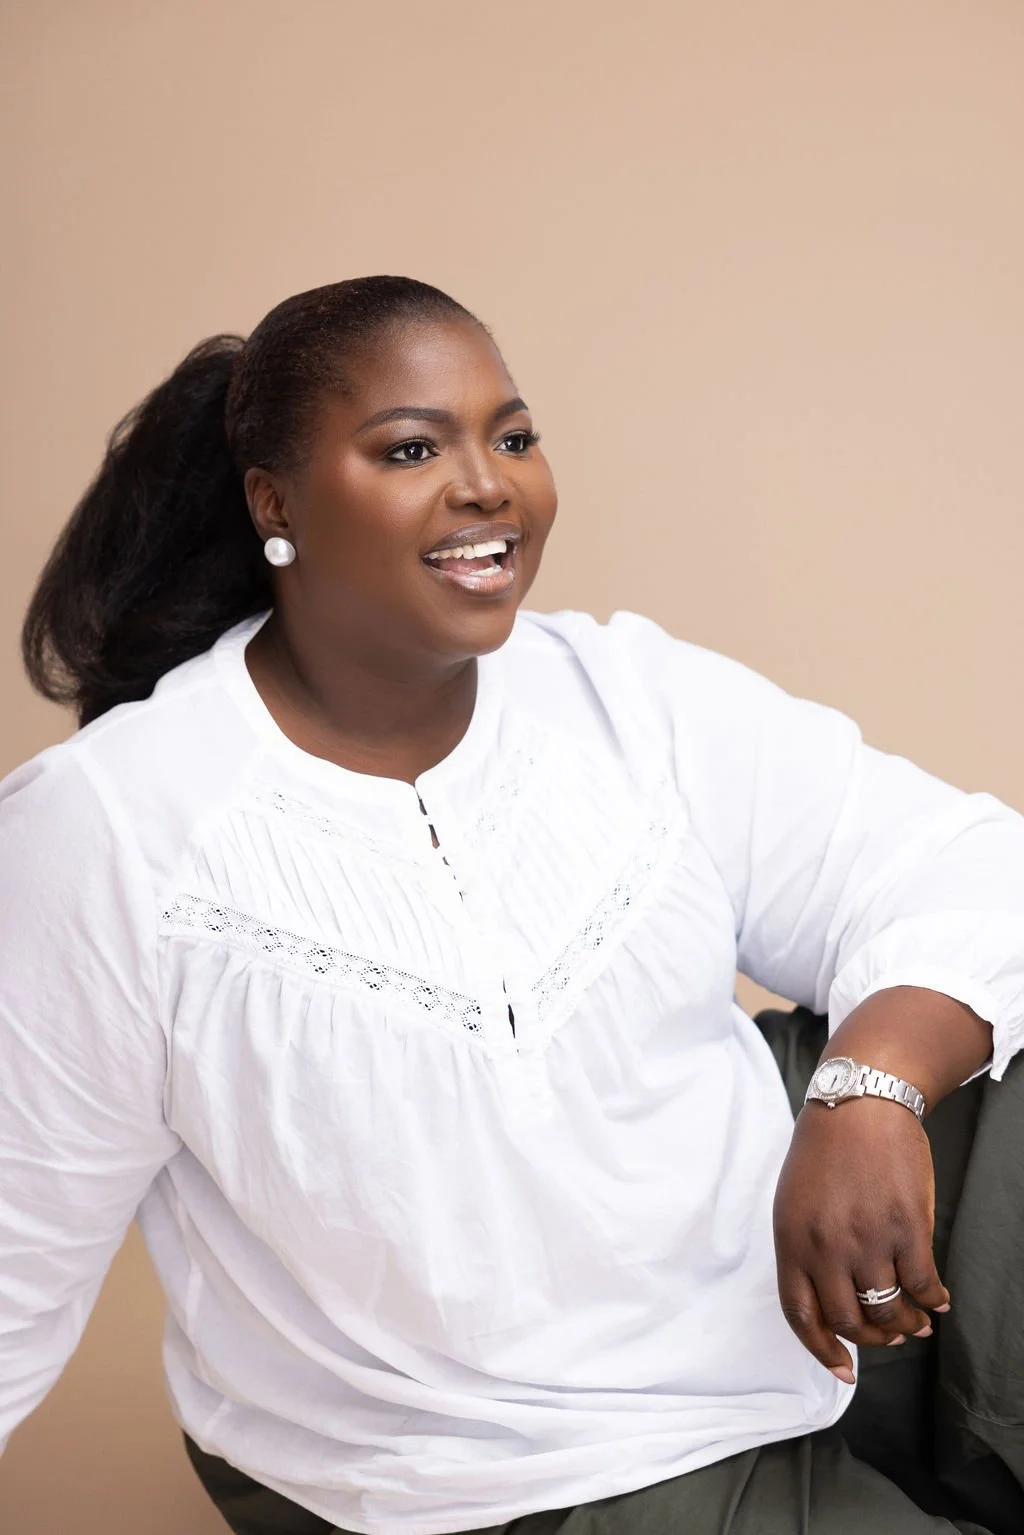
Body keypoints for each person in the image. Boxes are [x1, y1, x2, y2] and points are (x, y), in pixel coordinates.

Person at [2, 275, 1021, 1535]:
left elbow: (966, 864)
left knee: (986, 1057)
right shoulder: (114, 823)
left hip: (794, 1294)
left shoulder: (621, 690)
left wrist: (866, 1092)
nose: (490, 483)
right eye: (414, 447)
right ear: (276, 503)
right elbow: (11, 1238)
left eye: (515, 436)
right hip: (510, 1457)